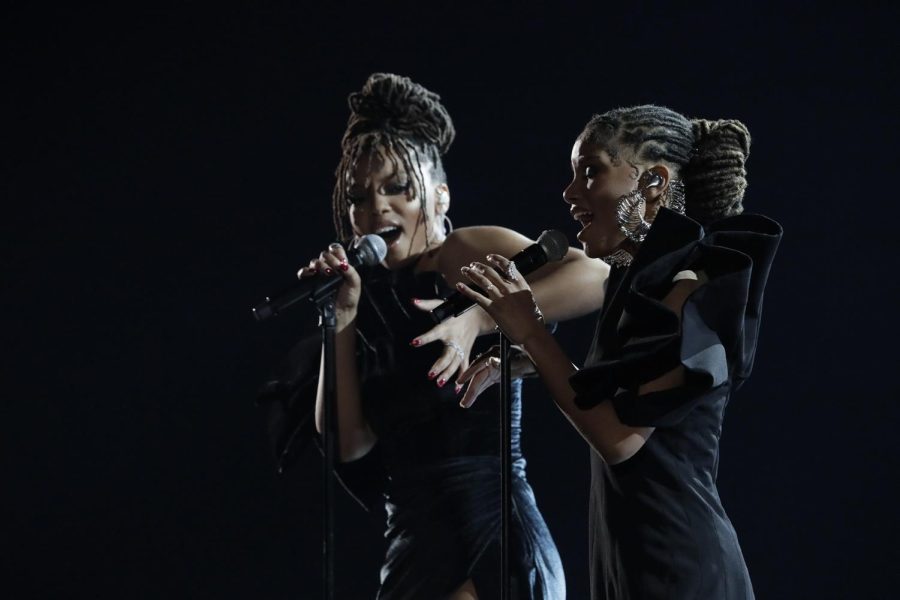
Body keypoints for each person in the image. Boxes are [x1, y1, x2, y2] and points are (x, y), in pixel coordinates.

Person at [260, 73, 608, 600]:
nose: (377, 207)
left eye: (398, 187)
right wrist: (341, 319)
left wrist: (483, 317)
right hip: (412, 543)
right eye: (359, 196)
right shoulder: (362, 298)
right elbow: (347, 444)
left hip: (486, 528)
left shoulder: (458, 254)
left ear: (440, 195)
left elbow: (594, 276)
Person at [456, 105, 782, 599]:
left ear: (652, 182)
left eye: (590, 172)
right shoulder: (635, 284)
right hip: (630, 560)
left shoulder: (691, 284)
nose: (569, 194)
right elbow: (618, 391)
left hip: (679, 568)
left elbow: (623, 439)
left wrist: (532, 333)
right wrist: (528, 361)